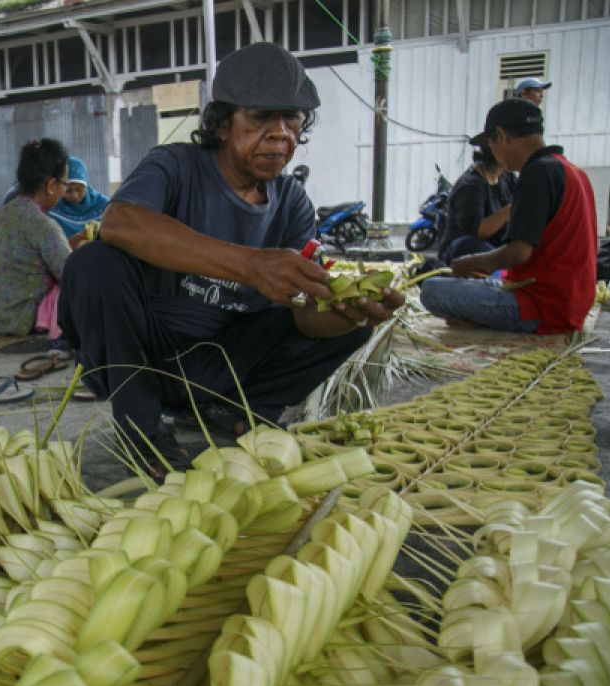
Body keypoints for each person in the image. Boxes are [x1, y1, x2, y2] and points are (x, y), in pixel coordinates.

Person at [57, 42, 404, 479]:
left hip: (227, 364)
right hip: (147, 356)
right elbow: (120, 223)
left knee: (352, 328)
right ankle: (142, 430)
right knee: (93, 263)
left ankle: (236, 410)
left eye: (292, 119)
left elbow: (300, 319)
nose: (281, 133)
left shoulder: (292, 202)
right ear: (222, 125)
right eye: (260, 118)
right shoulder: (176, 165)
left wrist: (344, 314)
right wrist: (251, 265)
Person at [421, 99, 596, 335]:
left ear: (502, 136)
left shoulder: (537, 172)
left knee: (432, 290)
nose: (493, 154)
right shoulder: (573, 171)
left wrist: (470, 263)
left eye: (491, 145)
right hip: (572, 301)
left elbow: (518, 252)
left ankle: (489, 317)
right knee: (475, 282)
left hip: (543, 306)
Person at [0, 138, 73, 337]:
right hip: (23, 321)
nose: (64, 191)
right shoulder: (42, 225)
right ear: (51, 185)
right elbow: (70, 275)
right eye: (65, 184)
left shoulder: (3, 214)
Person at [437, 147, 517, 263]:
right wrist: (512, 208)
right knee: (469, 244)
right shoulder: (470, 186)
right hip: (465, 250)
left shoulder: (507, 177)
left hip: (496, 245)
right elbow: (479, 231)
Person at [47, 157, 110, 243]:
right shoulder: (51, 207)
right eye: (68, 190)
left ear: (86, 186)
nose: (74, 196)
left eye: (79, 189)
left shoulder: (103, 205)